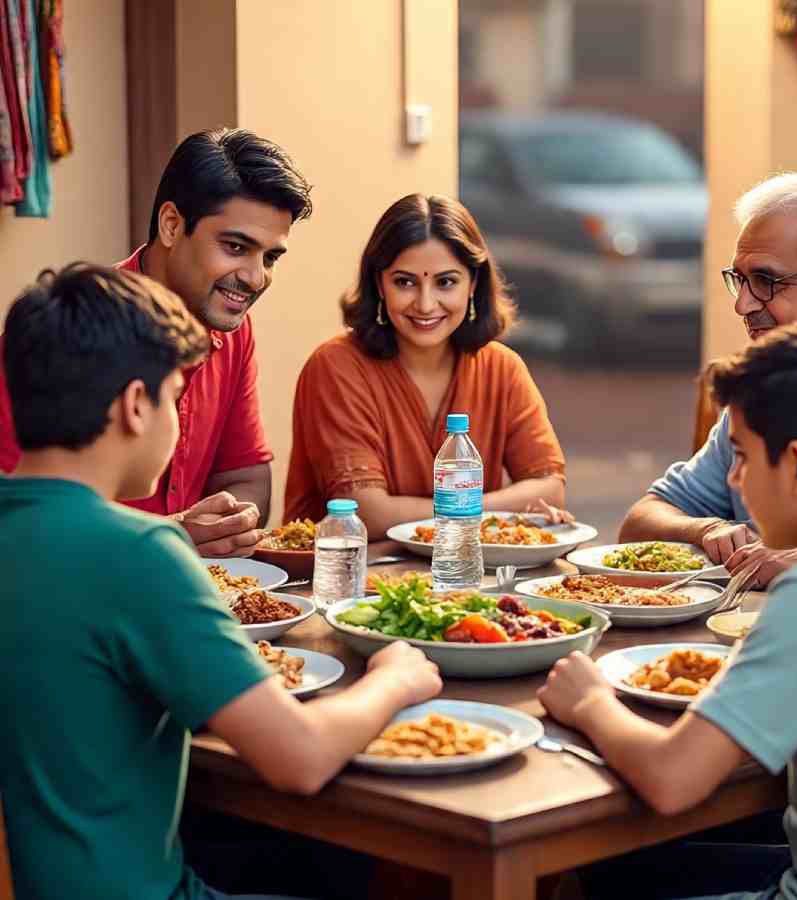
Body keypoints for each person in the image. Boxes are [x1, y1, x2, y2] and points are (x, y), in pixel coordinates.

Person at [0, 264, 442, 900]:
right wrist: (395, 679)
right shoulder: (140, 553)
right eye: (175, 396)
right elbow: (299, 759)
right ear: (134, 405)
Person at [540, 320, 797, 900]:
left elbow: (670, 779)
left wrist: (589, 701)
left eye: (742, 457)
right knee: (611, 871)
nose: (734, 480)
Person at [0, 127, 313, 557]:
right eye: (236, 246)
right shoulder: (66, 330)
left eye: (270, 257)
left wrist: (227, 526)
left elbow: (246, 475)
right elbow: (17, 525)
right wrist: (168, 541)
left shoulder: (232, 329)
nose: (256, 277)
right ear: (171, 225)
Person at [619, 173, 797, 586]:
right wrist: (705, 530)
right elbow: (642, 519)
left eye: (767, 281)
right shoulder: (763, 390)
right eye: (741, 279)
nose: (742, 304)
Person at [283, 193, 568, 538]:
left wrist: (435, 514)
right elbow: (367, 513)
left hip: (466, 577)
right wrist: (504, 512)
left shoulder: (501, 368)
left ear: (473, 283)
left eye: (446, 282)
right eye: (405, 282)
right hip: (346, 581)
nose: (426, 304)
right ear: (379, 283)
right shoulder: (336, 367)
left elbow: (550, 489)